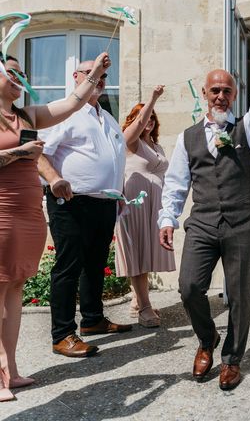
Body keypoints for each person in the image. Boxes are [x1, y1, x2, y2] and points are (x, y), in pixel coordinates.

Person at [158, 24, 250, 390]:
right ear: (206, 94)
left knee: (240, 294)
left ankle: (231, 359)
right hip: (204, 224)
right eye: (215, 90)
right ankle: (206, 339)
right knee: (189, 286)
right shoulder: (188, 137)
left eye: (227, 90)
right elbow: (177, 182)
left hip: (243, 224)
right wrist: (168, 218)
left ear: (234, 93)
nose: (221, 95)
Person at [0, 52, 110, 400]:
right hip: (1, 212)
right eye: (13, 72)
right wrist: (20, 153)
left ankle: (12, 370)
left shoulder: (25, 115)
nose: (20, 78)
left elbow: (72, 103)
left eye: (23, 73)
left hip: (28, 213)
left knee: (15, 289)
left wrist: (95, 73)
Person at [38, 56, 132, 358]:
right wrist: (54, 180)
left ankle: (92, 320)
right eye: (92, 73)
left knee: (94, 265)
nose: (99, 79)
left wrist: (118, 197)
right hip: (72, 201)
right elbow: (40, 154)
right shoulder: (64, 113)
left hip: (104, 204)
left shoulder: (108, 116)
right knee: (68, 266)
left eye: (103, 76)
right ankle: (62, 334)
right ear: (77, 78)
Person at [115, 86, 176, 328]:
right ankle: (145, 309)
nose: (148, 121)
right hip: (135, 203)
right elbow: (137, 128)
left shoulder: (156, 146)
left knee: (147, 254)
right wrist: (152, 99)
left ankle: (136, 302)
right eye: (143, 117)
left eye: (152, 117)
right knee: (137, 255)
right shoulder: (130, 142)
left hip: (155, 206)